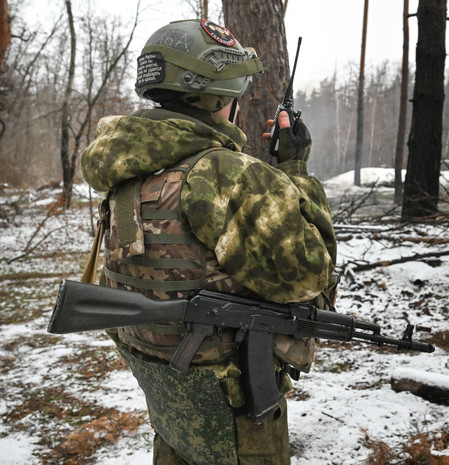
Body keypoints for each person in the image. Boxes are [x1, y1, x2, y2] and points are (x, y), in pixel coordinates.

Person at [80, 19, 337, 465]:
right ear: (217, 98)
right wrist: (294, 170)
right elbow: (313, 277)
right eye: (233, 94)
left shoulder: (129, 173)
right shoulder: (225, 175)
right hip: (235, 417)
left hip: (170, 401)